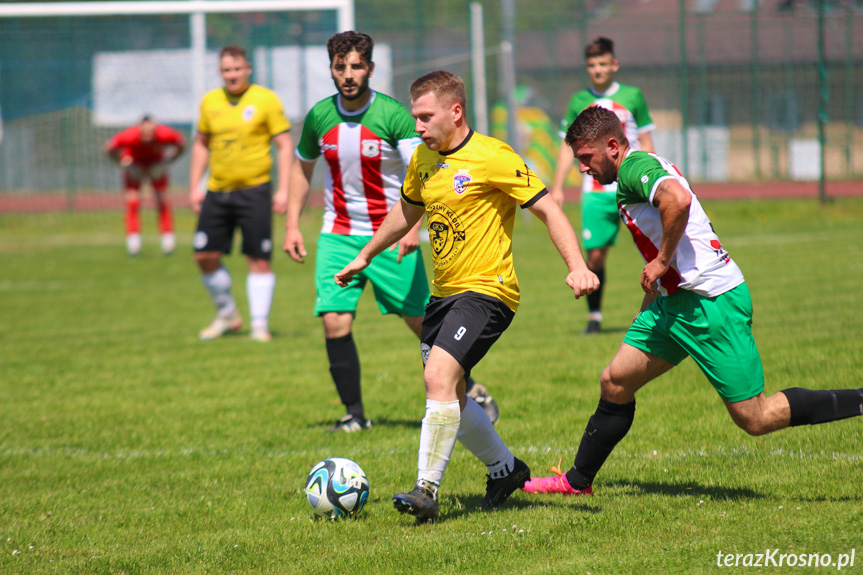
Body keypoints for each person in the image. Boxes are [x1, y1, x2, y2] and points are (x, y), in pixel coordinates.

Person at [523, 105, 863, 497]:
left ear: (613, 146)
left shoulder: (634, 169)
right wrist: (651, 295)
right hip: (674, 304)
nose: (582, 168)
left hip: (709, 304)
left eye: (586, 158)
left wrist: (662, 260)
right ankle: (577, 482)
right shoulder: (636, 170)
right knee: (615, 381)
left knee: (756, 417)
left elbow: (678, 201)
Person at [335, 70, 599, 521]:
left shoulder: (492, 156)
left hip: (488, 292)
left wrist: (577, 266)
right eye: (414, 117)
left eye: (424, 116)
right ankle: (506, 470)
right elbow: (406, 210)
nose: (417, 127)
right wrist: (365, 254)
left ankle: (426, 490)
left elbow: (548, 207)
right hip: (443, 297)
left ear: (455, 112)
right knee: (452, 396)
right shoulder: (422, 158)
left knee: (437, 376)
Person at [284, 31, 499, 433]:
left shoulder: (394, 115)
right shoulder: (318, 118)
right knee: (334, 321)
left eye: (356, 66)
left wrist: (412, 228)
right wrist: (292, 224)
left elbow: (422, 170)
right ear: (331, 69)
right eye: (340, 66)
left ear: (370, 69)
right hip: (337, 235)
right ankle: (354, 415)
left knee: (421, 323)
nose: (348, 74)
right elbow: (302, 169)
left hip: (390, 235)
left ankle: (470, 390)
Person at [550, 37, 655, 335]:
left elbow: (645, 141)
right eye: (592, 65)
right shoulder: (578, 101)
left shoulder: (633, 96)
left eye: (603, 63)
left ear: (614, 64)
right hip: (596, 193)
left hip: (632, 188)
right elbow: (565, 147)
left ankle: (659, 309)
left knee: (653, 248)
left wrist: (652, 173)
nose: (598, 69)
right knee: (594, 256)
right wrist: (558, 186)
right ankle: (595, 316)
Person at [189, 45, 293, 342]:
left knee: (258, 258)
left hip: (255, 190)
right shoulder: (210, 101)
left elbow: (284, 145)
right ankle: (227, 314)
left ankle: (259, 325)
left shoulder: (265, 100)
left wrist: (283, 189)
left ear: (248, 68)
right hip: (217, 191)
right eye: (226, 70)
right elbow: (200, 144)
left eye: (236, 69)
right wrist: (194, 185)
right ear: (220, 72)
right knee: (204, 255)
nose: (231, 75)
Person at [104, 115, 185, 256]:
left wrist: (169, 160)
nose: (147, 136)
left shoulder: (165, 134)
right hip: (134, 165)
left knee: (162, 201)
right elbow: (108, 148)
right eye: (144, 133)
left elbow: (183, 144)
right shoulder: (129, 135)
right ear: (139, 129)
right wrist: (123, 162)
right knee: (133, 202)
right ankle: (133, 244)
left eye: (151, 133)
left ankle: (168, 242)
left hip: (156, 164)